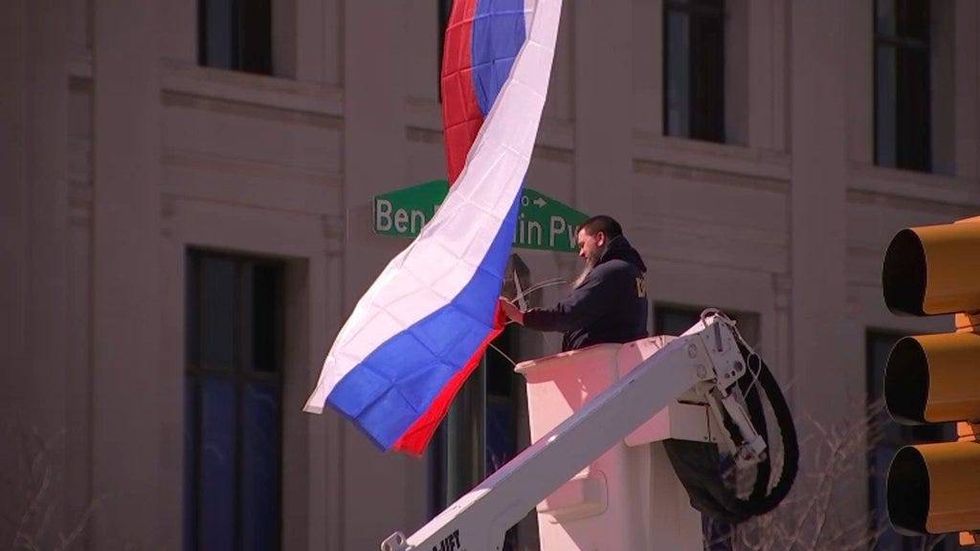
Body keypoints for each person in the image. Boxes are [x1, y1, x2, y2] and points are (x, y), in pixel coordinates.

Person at [499, 215, 647, 351]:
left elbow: (568, 314)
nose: (581, 253)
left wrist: (519, 315)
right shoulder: (631, 272)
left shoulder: (610, 272)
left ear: (600, 238)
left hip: (598, 370)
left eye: (582, 245)